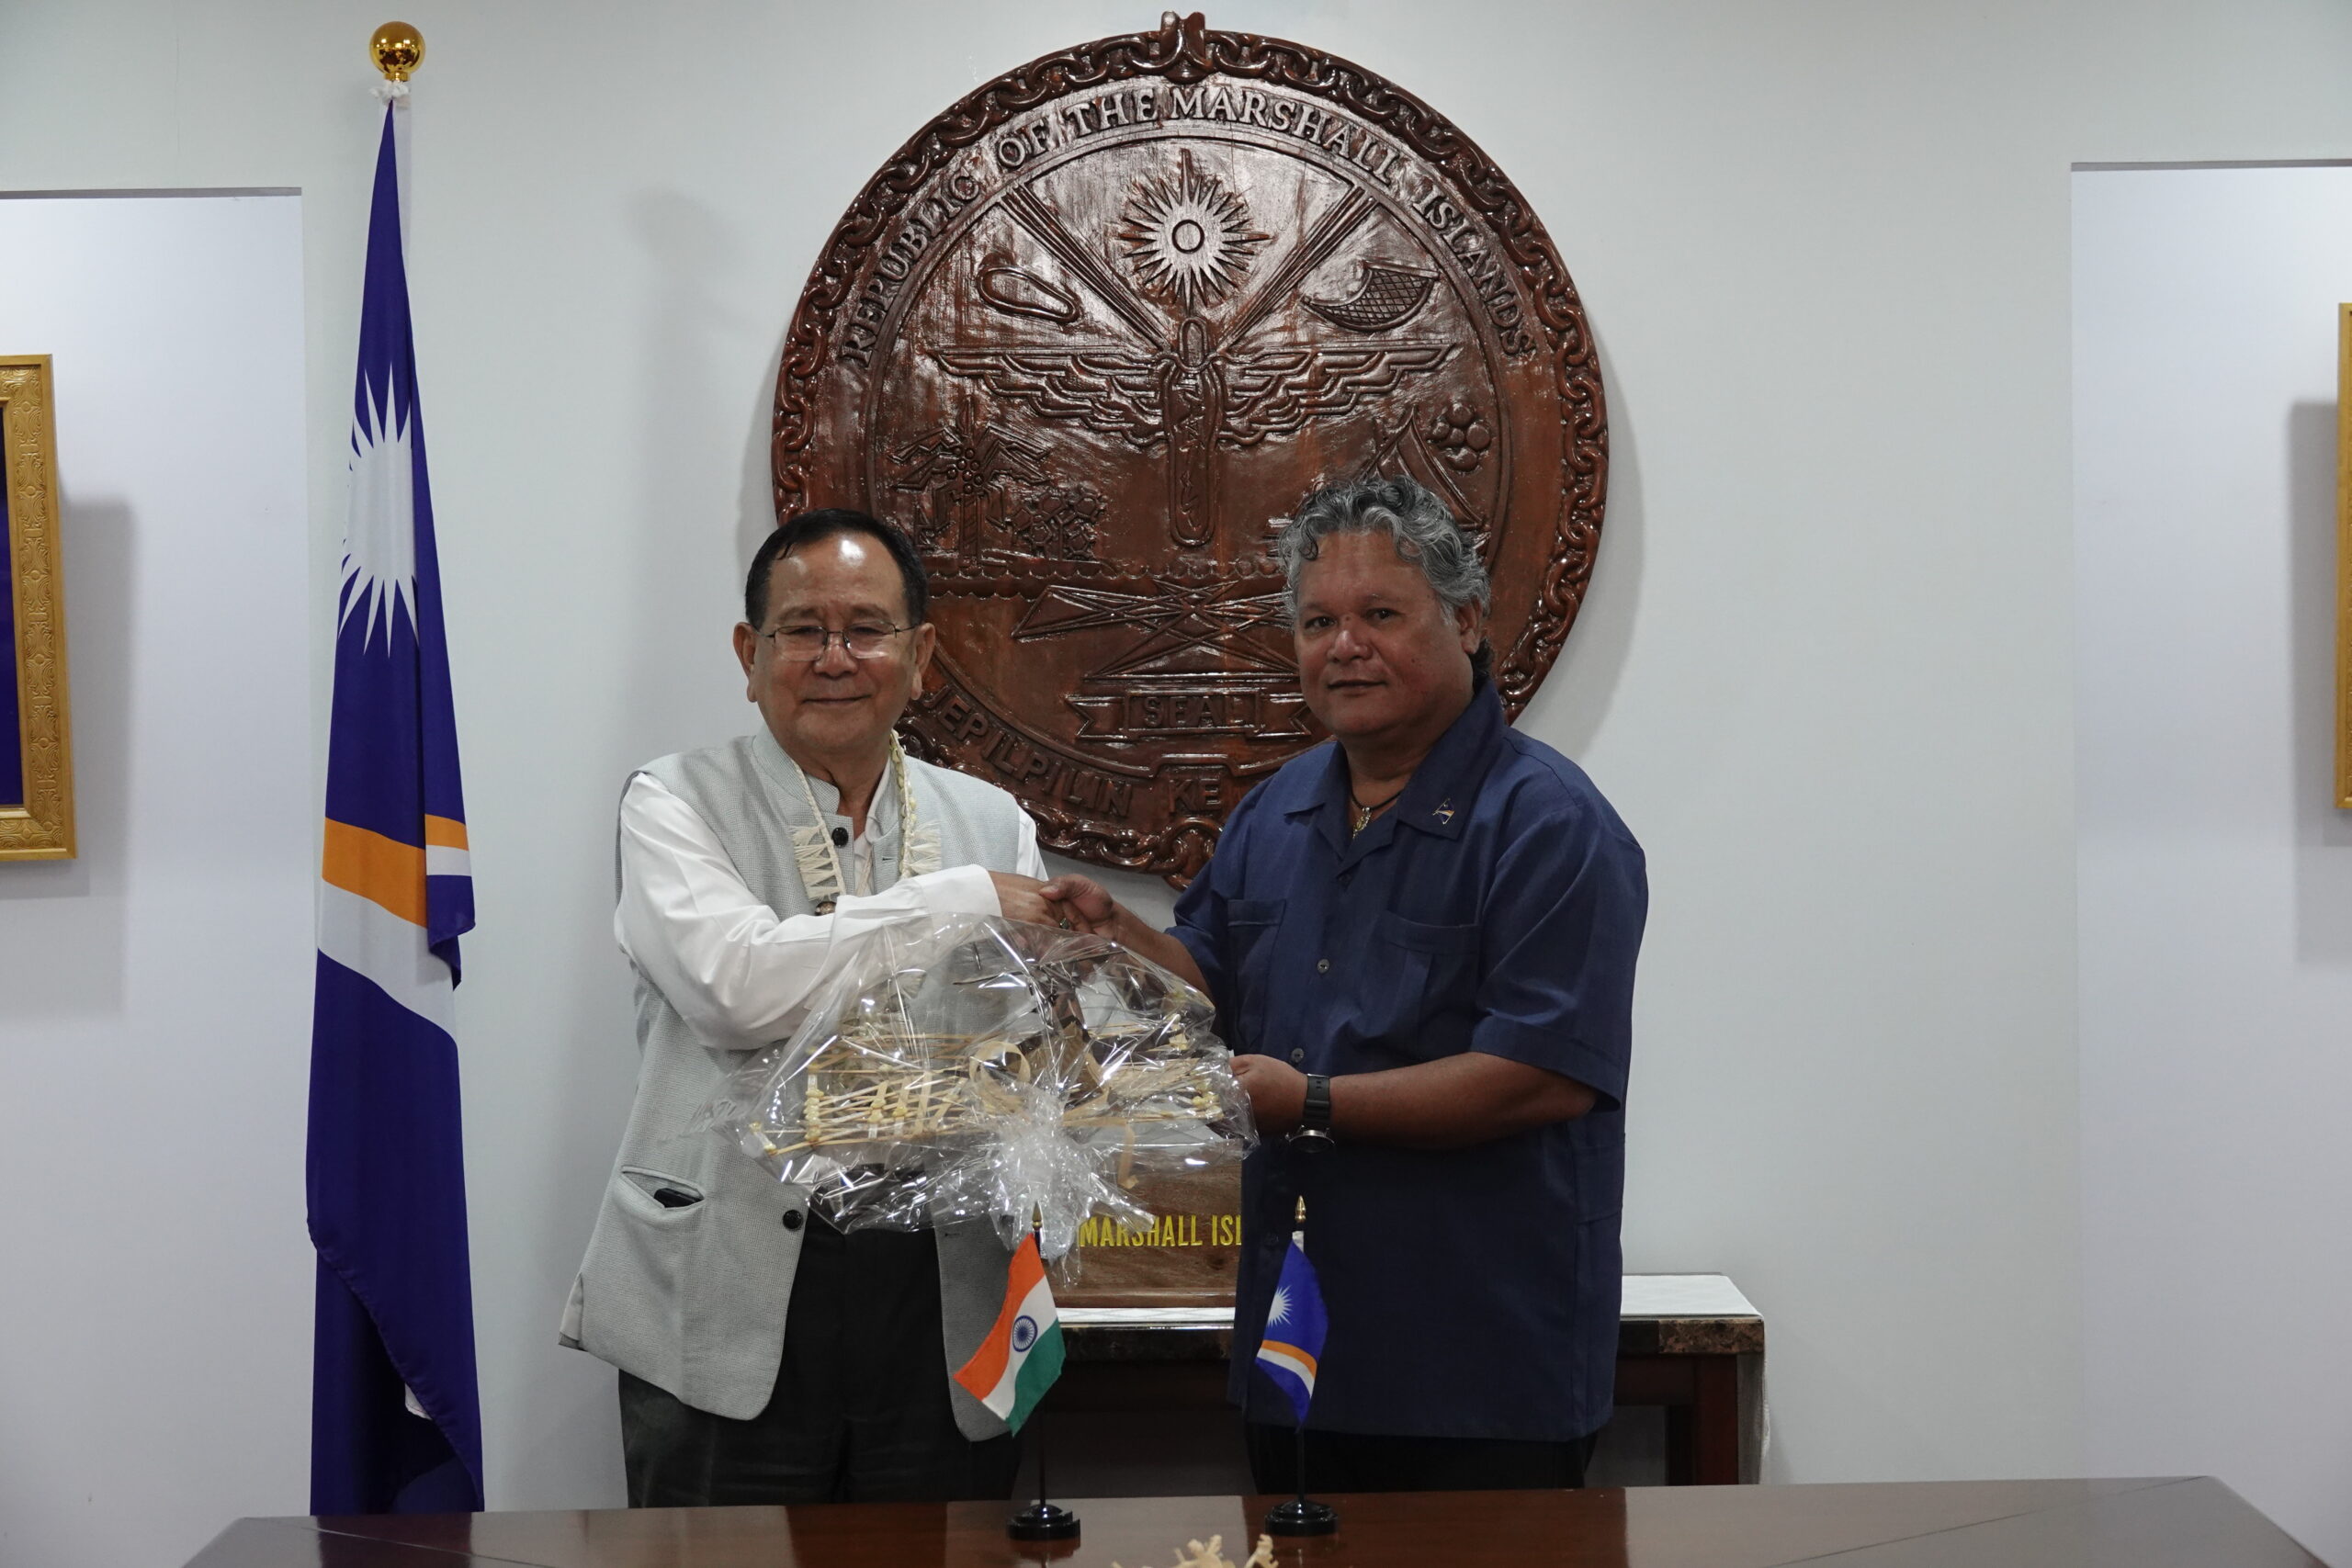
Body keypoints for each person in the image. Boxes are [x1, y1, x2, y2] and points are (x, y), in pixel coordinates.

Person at [1042, 475, 1646, 1493]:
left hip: (1478, 1363)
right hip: (1296, 1343)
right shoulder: (1276, 807)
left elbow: (1542, 1075)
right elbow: (1211, 995)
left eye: (1379, 615)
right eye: (1317, 621)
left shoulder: (1549, 823)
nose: (1343, 645)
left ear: (1464, 620)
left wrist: (1310, 1102)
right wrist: (1119, 938)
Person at [560, 509, 1064, 1506]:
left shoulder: (993, 822)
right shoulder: (670, 801)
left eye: (866, 629)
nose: (835, 657)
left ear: (920, 656)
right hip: (725, 1287)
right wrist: (954, 898)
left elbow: (1031, 1041)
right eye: (802, 629)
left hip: (942, 1292)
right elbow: (736, 989)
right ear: (750, 656)